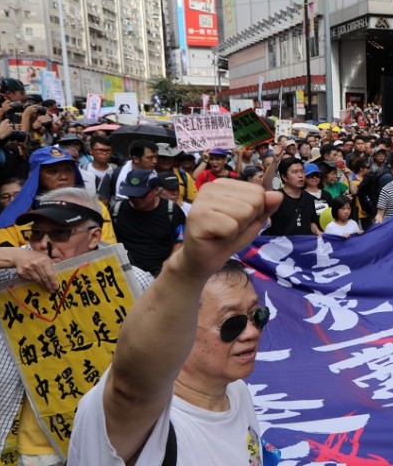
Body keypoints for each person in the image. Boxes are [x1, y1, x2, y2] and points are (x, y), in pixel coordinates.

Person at [68, 179, 281, 464]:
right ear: (180, 331)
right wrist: (188, 267)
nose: (252, 332)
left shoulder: (236, 391)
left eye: (258, 316)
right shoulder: (135, 422)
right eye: (232, 324)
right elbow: (130, 390)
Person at [0, 188, 153, 465]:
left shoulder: (132, 279)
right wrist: (13, 256)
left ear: (94, 236)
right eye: (36, 234)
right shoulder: (15, 270)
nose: (43, 245)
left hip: (112, 437)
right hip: (31, 445)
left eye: (60, 234)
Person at [110, 169, 187, 276]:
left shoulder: (172, 211)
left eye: (141, 195)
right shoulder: (117, 211)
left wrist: (171, 261)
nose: (135, 199)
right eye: (131, 195)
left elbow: (180, 239)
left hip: (162, 274)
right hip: (129, 274)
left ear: (155, 189)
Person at [262, 157, 321, 236]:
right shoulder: (277, 198)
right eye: (295, 172)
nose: (300, 175)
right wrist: (275, 161)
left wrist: (317, 232)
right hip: (282, 246)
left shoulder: (309, 198)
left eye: (302, 171)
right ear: (284, 177)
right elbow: (266, 184)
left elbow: (311, 222)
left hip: (305, 245)